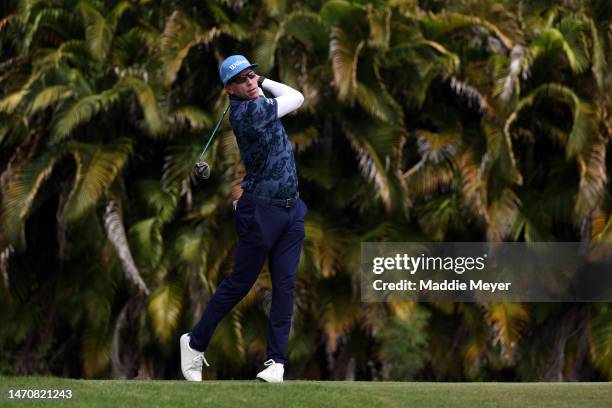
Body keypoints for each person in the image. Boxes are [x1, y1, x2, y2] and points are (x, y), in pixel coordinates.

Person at [180, 55, 307, 383]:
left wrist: (258, 83)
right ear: (229, 90)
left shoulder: (257, 101)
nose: (251, 82)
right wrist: (265, 82)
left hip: (291, 210)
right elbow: (297, 97)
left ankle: (275, 363)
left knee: (284, 286)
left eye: (252, 76)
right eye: (243, 80)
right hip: (261, 212)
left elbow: (286, 97)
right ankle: (194, 342)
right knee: (240, 283)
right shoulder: (249, 112)